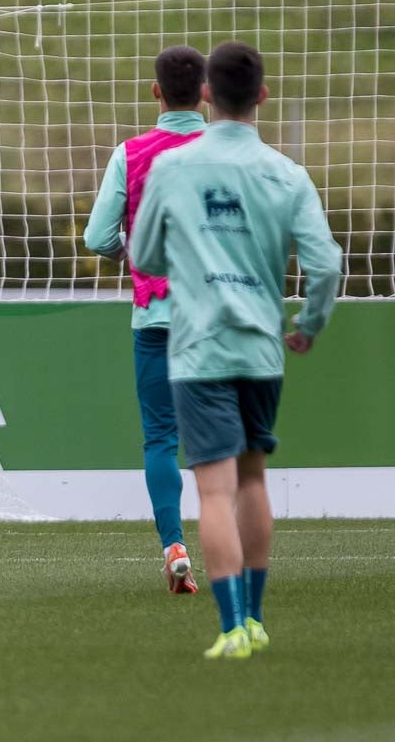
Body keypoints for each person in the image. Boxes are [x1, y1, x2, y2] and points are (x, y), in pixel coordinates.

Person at [130, 41, 341, 659]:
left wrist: (194, 258)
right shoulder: (287, 173)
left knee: (214, 490)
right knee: (253, 479)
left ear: (206, 96)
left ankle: (232, 629)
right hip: (261, 347)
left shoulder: (172, 168)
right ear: (262, 97)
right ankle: (257, 615)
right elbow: (327, 264)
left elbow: (143, 256)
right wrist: (309, 323)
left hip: (198, 347)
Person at [84, 45, 207, 594]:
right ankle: (235, 558)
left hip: (155, 317)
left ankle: (175, 545)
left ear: (156, 91)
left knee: (161, 439)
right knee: (222, 439)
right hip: (216, 318)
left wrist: (131, 254)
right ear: (204, 91)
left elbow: (96, 238)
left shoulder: (131, 153)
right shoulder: (226, 152)